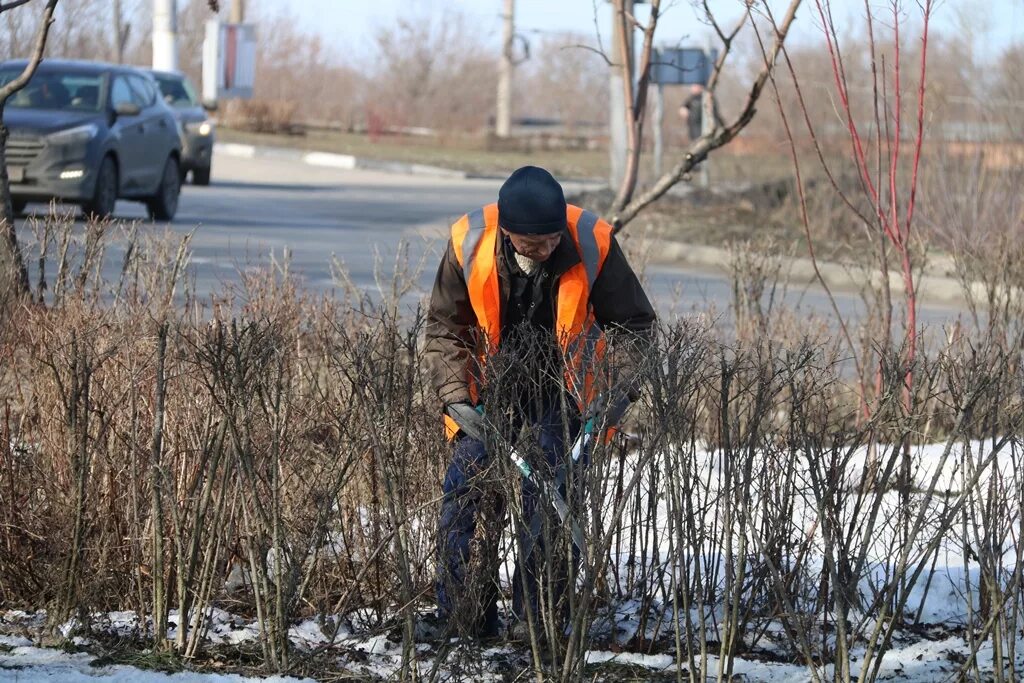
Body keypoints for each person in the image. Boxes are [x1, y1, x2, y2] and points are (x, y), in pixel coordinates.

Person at [424, 165, 656, 639]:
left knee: (550, 499)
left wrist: (617, 392)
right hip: (489, 392)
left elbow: (635, 325)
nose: (545, 250)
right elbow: (446, 327)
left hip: (569, 395)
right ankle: (464, 619)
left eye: (551, 241)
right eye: (532, 245)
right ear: (507, 232)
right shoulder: (469, 240)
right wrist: (456, 397)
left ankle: (541, 622)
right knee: (464, 494)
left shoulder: (592, 241)